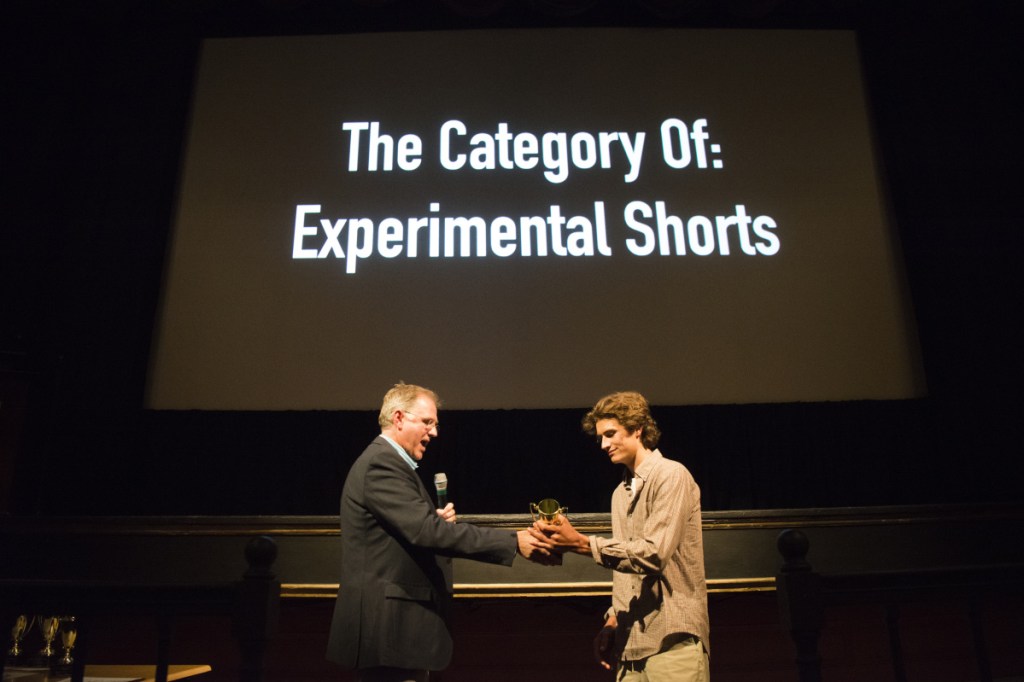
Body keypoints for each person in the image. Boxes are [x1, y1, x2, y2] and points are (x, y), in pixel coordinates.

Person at [326, 382, 553, 682]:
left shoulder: (390, 463)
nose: (434, 433)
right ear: (398, 418)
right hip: (388, 632)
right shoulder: (382, 463)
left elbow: (411, 529)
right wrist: (513, 541)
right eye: (427, 422)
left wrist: (427, 520)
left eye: (435, 424)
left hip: (394, 634)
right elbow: (426, 533)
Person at [533, 390, 710, 681]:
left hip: (671, 642)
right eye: (600, 437)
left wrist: (581, 543)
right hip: (630, 647)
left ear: (637, 428)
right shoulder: (620, 493)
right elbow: (628, 568)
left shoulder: (671, 475)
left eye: (611, 433)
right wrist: (614, 617)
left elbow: (653, 555)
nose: (603, 444)